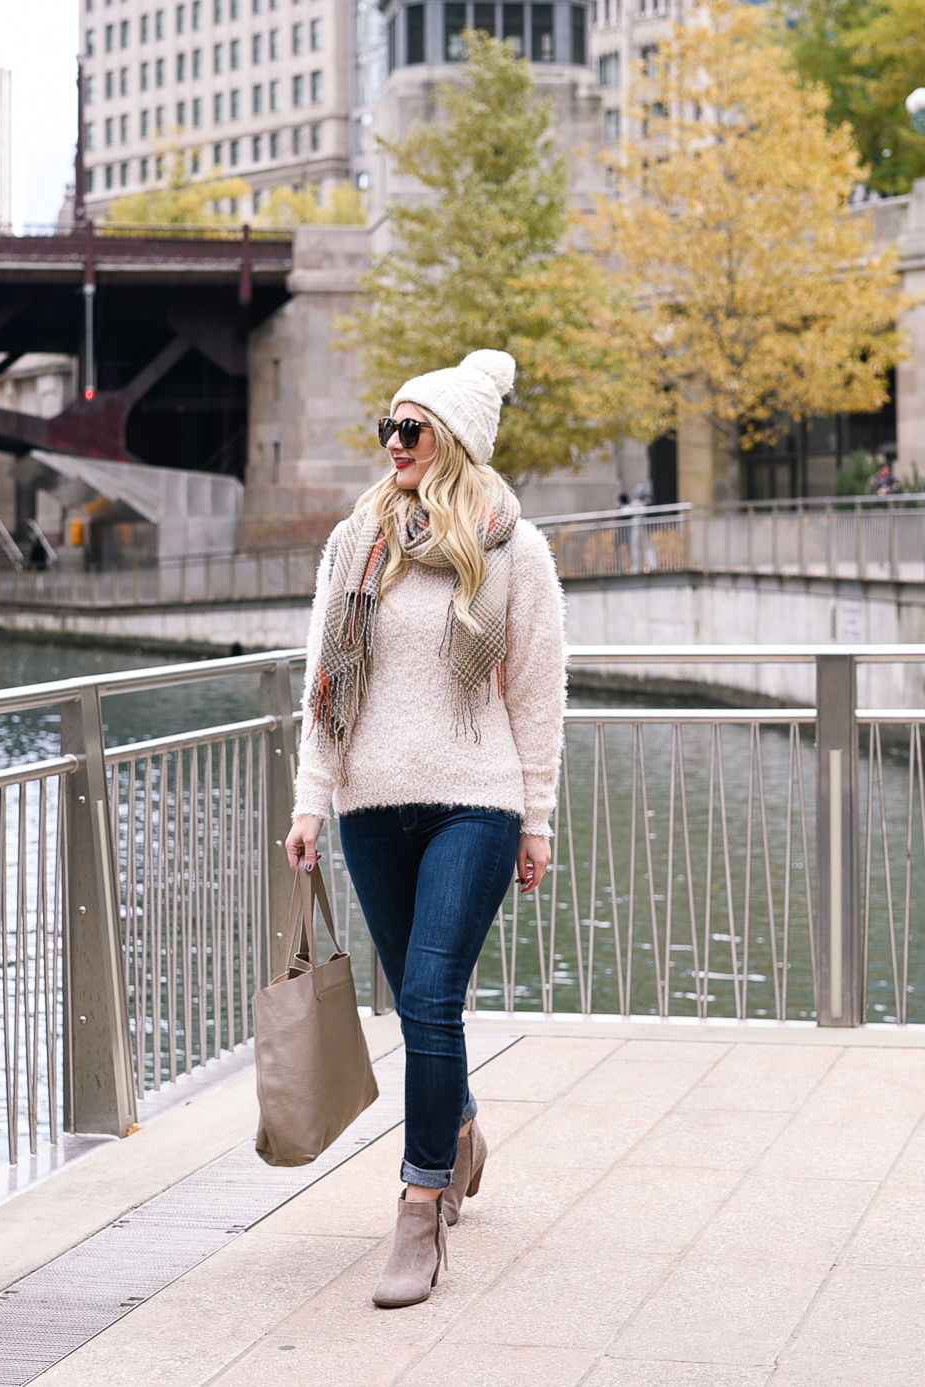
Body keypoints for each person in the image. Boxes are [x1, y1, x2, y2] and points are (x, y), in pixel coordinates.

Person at [285, 350, 566, 1309]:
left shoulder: (514, 550)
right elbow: (324, 686)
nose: (394, 445)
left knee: (434, 994)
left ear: (455, 443)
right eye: (388, 428)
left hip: (474, 804)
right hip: (370, 807)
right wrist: (308, 802)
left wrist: (537, 818)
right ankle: (461, 1125)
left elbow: (535, 692)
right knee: (413, 1002)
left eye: (414, 430)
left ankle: (418, 1203)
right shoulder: (354, 540)